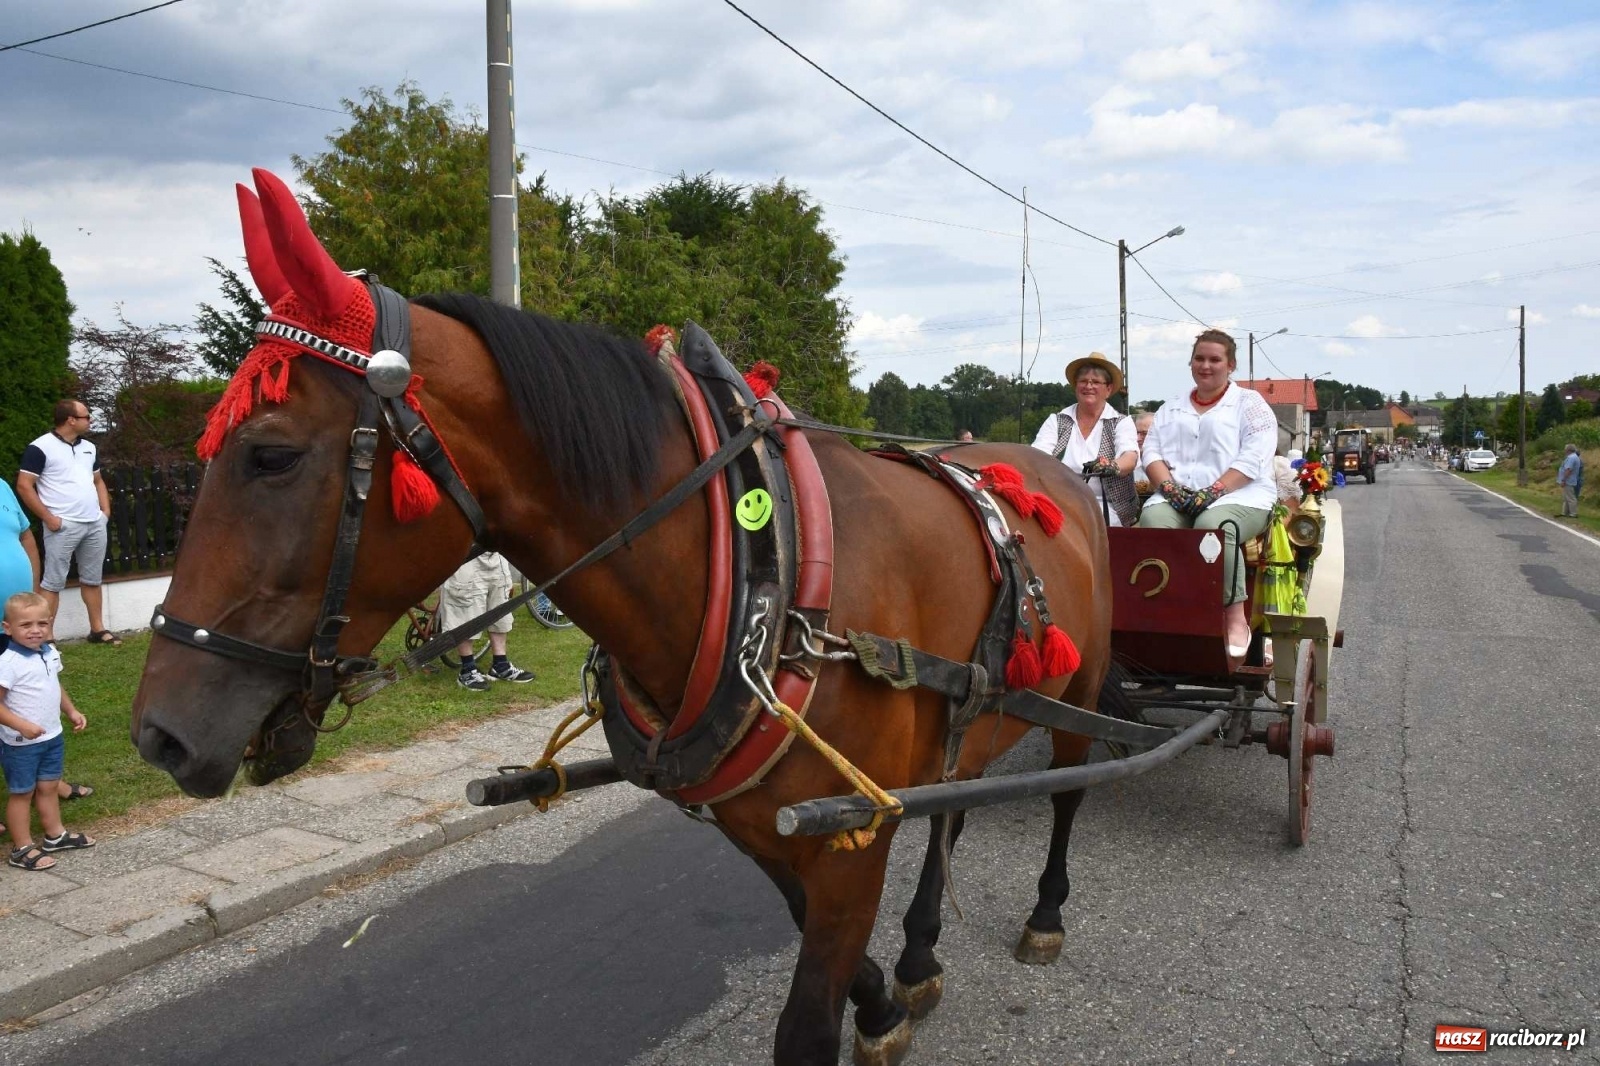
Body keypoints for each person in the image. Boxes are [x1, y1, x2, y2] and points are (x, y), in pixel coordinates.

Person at [1139, 329, 1278, 658]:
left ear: (1230, 365)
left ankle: (1234, 616)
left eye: (1215, 359)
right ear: (1190, 363)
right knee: (1152, 520)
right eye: (1199, 359)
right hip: (1179, 496)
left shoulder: (1250, 404)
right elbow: (1151, 452)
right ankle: (1170, 608)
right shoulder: (1171, 408)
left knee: (1213, 527)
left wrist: (1214, 491)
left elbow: (1254, 457)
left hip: (1242, 496)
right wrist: (1169, 488)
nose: (1206, 366)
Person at [0, 482, 92, 808]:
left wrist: (34, 593)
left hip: (16, 623)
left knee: (30, 690)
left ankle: (49, 783)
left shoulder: (1, 486)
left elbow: (25, 536)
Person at [0, 592, 94, 871]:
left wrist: (71, 710)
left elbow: (54, 684)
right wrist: (21, 725)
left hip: (52, 737)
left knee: (49, 787)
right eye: (26, 625)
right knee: (23, 793)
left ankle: (55, 835)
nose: (35, 630)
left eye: (42, 623)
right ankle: (21, 848)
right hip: (21, 743)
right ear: (8, 628)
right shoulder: (8, 663)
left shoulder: (49, 652)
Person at [16, 400, 119, 645]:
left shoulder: (89, 448)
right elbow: (24, 485)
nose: (90, 421)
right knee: (53, 583)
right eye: (86, 417)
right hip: (62, 526)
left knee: (92, 579)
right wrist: (49, 518)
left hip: (94, 523)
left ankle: (97, 629)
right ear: (71, 420)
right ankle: (47, 637)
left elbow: (98, 481)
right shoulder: (40, 448)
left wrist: (105, 512)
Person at [1030, 352, 1140, 526]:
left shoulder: (1121, 422)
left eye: (1095, 382)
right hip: (1058, 500)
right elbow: (1036, 456)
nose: (1088, 386)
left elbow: (1130, 457)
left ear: (1108, 389)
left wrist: (1112, 466)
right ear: (1076, 386)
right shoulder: (1057, 421)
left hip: (1107, 506)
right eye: (1083, 381)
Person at [438, 552, 536, 691]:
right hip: (467, 555)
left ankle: (500, 665)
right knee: (465, 611)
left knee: (500, 609)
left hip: (496, 554)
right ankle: (467, 670)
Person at [1556, 443, 1583, 518]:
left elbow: (1568, 469)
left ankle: (1573, 513)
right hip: (1570, 480)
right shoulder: (1574, 457)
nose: (1564, 451)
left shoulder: (1571, 458)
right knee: (1566, 497)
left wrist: (1563, 480)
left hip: (1568, 480)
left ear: (1568, 450)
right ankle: (1564, 512)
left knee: (1570, 497)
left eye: (1565, 449)